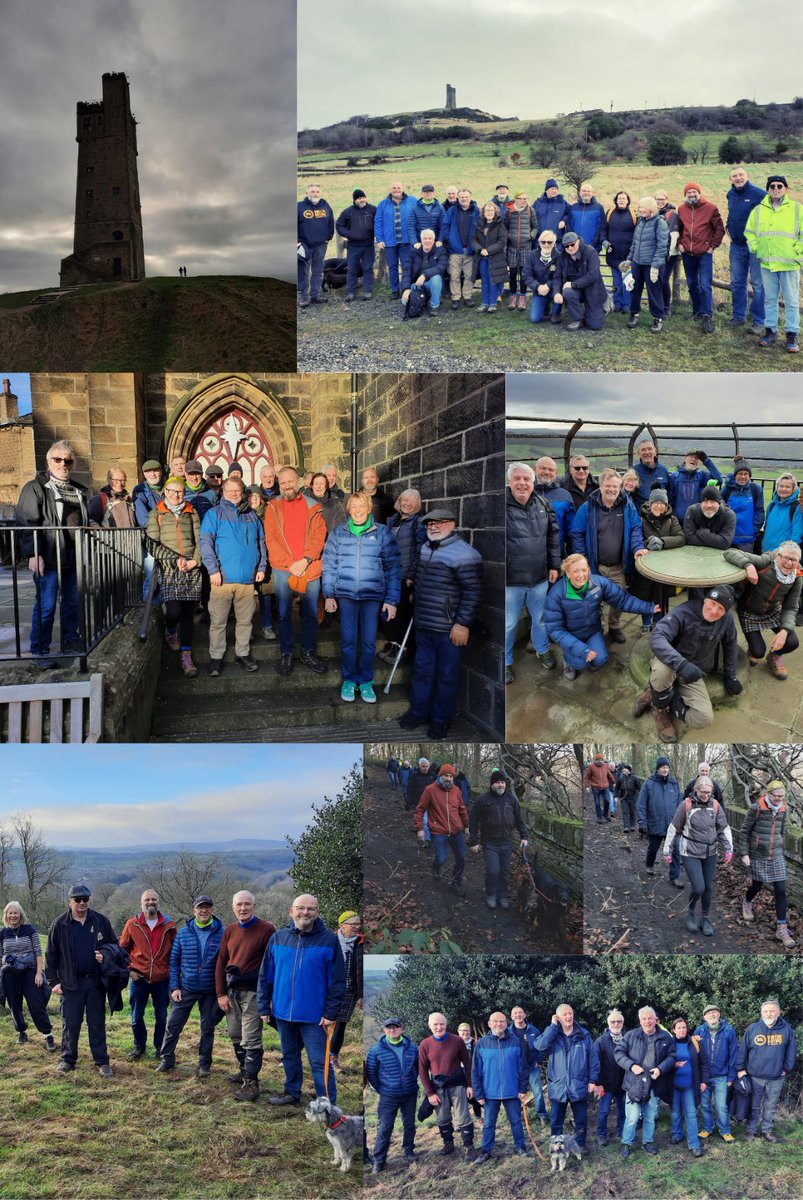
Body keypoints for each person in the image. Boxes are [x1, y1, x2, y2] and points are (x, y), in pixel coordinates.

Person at [400, 509, 483, 738]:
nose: (433, 527)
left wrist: (463, 624)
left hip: (449, 628)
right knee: (422, 672)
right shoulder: (426, 548)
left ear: (452, 525)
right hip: (425, 624)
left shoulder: (465, 554)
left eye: (440, 523)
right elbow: (421, 574)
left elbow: (473, 591)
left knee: (447, 676)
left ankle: (440, 719)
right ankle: (419, 712)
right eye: (430, 524)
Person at [257, 893, 346, 1105]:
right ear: (291, 911)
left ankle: (327, 1103)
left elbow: (338, 981)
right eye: (300, 908)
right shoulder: (278, 938)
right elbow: (265, 975)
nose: (305, 912)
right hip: (283, 1013)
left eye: (310, 909)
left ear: (317, 913)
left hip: (316, 1017)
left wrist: (330, 1013)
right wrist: (263, 1006)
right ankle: (291, 1092)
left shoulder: (329, 940)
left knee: (319, 1062)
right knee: (289, 1056)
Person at [322, 490, 401, 703]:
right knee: (348, 641)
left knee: (368, 642)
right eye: (353, 506)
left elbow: (393, 567)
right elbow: (329, 565)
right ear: (348, 509)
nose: (357, 511)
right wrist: (329, 595)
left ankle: (365, 681)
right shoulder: (338, 533)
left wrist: (392, 600)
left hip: (372, 596)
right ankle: (349, 679)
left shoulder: (382, 533)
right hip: (346, 595)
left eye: (361, 506)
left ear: (368, 508)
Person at [17, 440, 91, 668]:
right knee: (46, 605)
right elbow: (27, 522)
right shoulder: (36, 487)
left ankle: (70, 639)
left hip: (72, 554)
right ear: (48, 461)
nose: (63, 464)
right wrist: (33, 553)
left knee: (71, 602)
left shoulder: (78, 490)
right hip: (48, 556)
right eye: (57, 460)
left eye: (68, 460)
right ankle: (40, 650)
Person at [635, 586, 742, 741]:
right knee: (662, 673)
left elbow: (731, 645)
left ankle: (656, 695)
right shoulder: (684, 612)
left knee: (704, 718)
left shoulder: (727, 620)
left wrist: (730, 676)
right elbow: (657, 637)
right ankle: (660, 710)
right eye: (712, 603)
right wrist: (681, 664)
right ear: (705, 599)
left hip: (694, 672)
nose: (713, 611)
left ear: (726, 612)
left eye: (720, 609)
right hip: (670, 660)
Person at [544, 553, 656, 680]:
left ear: (589, 570)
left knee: (601, 660)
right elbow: (554, 629)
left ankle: (587, 655)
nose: (581, 575)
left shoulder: (599, 583)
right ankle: (569, 662)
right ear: (568, 573)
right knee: (580, 663)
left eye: (584, 570)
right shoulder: (556, 594)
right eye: (575, 571)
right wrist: (582, 650)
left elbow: (623, 600)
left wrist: (649, 608)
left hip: (593, 631)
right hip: (571, 634)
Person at [569, 468, 648, 642]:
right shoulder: (588, 507)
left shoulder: (627, 505)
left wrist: (637, 548)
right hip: (595, 566)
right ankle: (598, 628)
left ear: (620, 487)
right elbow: (576, 533)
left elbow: (635, 528)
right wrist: (582, 561)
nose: (612, 489)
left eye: (615, 486)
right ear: (601, 485)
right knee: (594, 601)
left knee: (619, 599)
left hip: (618, 566)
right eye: (608, 486)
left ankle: (614, 626)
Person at [45, 884, 117, 1076]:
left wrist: (105, 955)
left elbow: (114, 947)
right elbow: (51, 955)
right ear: (70, 902)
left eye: (85, 899)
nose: (82, 903)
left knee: (97, 1023)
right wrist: (53, 982)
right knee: (71, 1023)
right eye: (77, 900)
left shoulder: (101, 921)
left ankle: (102, 1061)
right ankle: (68, 1059)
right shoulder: (59, 924)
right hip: (70, 983)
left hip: (95, 982)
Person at [199, 475, 266, 676]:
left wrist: (261, 567)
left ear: (243, 492)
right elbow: (205, 543)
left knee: (245, 621)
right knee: (218, 621)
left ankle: (242, 653)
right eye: (229, 490)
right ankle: (216, 657)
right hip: (222, 579)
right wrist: (213, 570)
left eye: (237, 490)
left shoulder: (252, 516)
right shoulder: (214, 514)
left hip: (247, 579)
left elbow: (261, 542)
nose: (233, 494)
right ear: (223, 492)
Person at [263, 466, 327, 677]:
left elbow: (319, 536)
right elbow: (271, 539)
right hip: (284, 568)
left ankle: (308, 652)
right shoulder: (272, 507)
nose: (287, 486)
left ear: (298, 482)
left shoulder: (313, 506)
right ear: (278, 484)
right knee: (283, 613)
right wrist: (291, 564)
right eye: (283, 483)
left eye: (290, 481)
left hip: (309, 566)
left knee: (310, 614)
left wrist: (306, 559)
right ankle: (287, 652)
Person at [214, 891, 275, 1102]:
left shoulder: (267, 930)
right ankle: (243, 1071)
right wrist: (221, 993)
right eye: (239, 904)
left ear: (254, 905)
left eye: (247, 904)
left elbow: (271, 965)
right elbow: (221, 961)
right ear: (233, 907)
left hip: (254, 993)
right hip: (232, 992)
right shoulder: (230, 930)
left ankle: (252, 1084)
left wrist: (269, 995)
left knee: (251, 1037)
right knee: (235, 1034)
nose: (243, 908)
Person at [506, 461, 561, 682]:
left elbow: (553, 538)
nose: (522, 483)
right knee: (508, 623)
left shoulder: (544, 504)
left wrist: (554, 565)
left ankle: (542, 648)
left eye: (526, 479)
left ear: (533, 482)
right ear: (509, 482)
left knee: (540, 619)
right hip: (510, 580)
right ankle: (506, 661)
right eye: (517, 479)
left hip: (539, 576)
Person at [663, 775, 734, 936]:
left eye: (709, 792)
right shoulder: (686, 805)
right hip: (690, 852)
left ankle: (706, 918)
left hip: (711, 852)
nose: (706, 795)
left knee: (708, 887)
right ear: (696, 790)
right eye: (703, 792)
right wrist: (667, 851)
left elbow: (723, 828)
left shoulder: (715, 805)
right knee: (699, 887)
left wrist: (729, 849)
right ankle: (691, 911)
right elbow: (673, 828)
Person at [147, 475, 203, 677]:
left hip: (192, 569)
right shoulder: (157, 513)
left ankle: (186, 657)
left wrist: (196, 561)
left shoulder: (192, 512)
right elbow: (152, 545)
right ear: (166, 493)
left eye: (180, 491)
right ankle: (171, 629)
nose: (177, 495)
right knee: (173, 612)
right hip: (170, 569)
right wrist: (173, 560)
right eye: (173, 491)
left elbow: (201, 541)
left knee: (188, 615)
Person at [725, 542, 802, 682]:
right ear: (778, 556)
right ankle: (754, 649)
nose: (789, 563)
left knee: (792, 642)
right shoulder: (767, 560)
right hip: (749, 611)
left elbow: (790, 607)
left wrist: (784, 631)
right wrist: (748, 566)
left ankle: (774, 656)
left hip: (773, 610)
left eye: (794, 560)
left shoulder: (797, 576)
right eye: (786, 558)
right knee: (758, 652)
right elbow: (730, 552)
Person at [119, 889, 177, 1061]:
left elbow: (175, 952)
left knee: (161, 1016)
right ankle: (139, 1046)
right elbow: (122, 950)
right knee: (136, 1016)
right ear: (141, 903)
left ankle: (160, 1048)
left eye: (154, 899)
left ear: (158, 902)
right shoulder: (132, 924)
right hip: (139, 978)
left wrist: (172, 974)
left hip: (162, 979)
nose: (151, 902)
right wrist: (130, 969)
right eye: (147, 900)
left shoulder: (170, 925)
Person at [745, 175, 802, 352]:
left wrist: (797, 251)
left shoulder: (796, 209)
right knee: (770, 300)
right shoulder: (759, 210)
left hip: (789, 263)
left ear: (785, 188)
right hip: (767, 263)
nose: (775, 189)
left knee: (792, 301)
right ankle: (770, 332)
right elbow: (750, 232)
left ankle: (792, 335)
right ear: (768, 189)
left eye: (779, 186)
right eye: (772, 186)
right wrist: (756, 248)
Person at [536, 1003, 600, 1154]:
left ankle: (580, 1143)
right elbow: (539, 1046)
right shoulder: (552, 1034)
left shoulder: (584, 1035)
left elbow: (594, 1059)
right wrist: (552, 1027)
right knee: (557, 1120)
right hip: (558, 1086)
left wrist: (592, 1080)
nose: (569, 1017)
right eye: (565, 1014)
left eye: (570, 1013)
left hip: (579, 1084)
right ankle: (556, 1147)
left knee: (581, 1119)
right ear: (558, 1017)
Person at [739, 781, 796, 949]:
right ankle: (747, 901)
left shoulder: (784, 809)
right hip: (759, 853)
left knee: (780, 890)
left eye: (782, 796)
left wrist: (780, 845)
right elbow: (745, 831)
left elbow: (782, 830)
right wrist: (745, 853)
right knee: (757, 885)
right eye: (777, 796)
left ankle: (781, 929)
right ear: (769, 794)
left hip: (776, 854)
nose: (780, 799)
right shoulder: (757, 808)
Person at [615, 1006, 677, 1158]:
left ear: (655, 1019)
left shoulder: (665, 1037)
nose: (647, 1021)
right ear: (640, 1020)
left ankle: (647, 1142)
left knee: (650, 1116)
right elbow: (618, 1053)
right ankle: (626, 1143)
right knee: (633, 1116)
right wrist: (631, 1065)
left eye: (650, 1018)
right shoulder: (630, 1035)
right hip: (634, 1083)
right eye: (644, 1019)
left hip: (654, 1083)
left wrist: (661, 1069)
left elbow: (672, 1056)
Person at [472, 1011, 529, 1165]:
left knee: (516, 1121)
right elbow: (475, 1071)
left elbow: (523, 1068)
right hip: (490, 1093)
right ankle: (486, 1150)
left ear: (506, 1023)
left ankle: (521, 1146)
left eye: (502, 1021)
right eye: (495, 1021)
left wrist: (523, 1089)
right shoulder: (482, 1044)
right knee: (489, 1123)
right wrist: (479, 1093)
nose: (499, 1024)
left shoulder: (516, 1042)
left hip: (513, 1091)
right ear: (489, 1024)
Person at [419, 1011, 476, 1160]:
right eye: (435, 1024)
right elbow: (423, 1071)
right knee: (443, 1118)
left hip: (457, 1084)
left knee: (463, 1117)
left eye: (441, 1024)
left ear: (446, 1024)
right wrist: (430, 1093)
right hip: (438, 1087)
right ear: (430, 1026)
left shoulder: (457, 1041)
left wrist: (470, 1085)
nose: (439, 1027)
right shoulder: (425, 1044)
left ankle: (469, 1147)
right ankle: (448, 1144)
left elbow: (468, 1063)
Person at [737, 999, 797, 1141]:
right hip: (755, 1076)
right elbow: (742, 1050)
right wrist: (740, 1068)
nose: (769, 1014)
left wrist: (787, 1069)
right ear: (761, 1013)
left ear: (778, 1012)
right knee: (754, 1106)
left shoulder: (786, 1029)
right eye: (766, 1011)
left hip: (776, 1076)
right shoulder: (753, 1029)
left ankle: (767, 1131)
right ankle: (751, 1131)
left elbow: (791, 1050)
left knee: (770, 1105)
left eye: (772, 1011)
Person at [469, 769, 528, 909]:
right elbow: (473, 820)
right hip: (490, 843)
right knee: (493, 870)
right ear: (491, 784)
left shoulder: (511, 800)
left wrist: (524, 836)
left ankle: (502, 895)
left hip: (507, 842)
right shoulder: (483, 800)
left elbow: (519, 820)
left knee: (504, 871)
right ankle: (490, 894)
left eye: (502, 782)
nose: (500, 785)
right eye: (497, 782)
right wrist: (474, 841)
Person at [367, 1017, 420, 1173]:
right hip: (388, 1096)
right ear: (384, 1030)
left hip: (409, 1094)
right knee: (385, 1128)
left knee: (409, 1124)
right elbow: (371, 1073)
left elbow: (417, 1068)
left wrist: (410, 1083)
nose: (392, 1030)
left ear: (401, 1029)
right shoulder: (376, 1050)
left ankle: (409, 1150)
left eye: (395, 1027)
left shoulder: (412, 1048)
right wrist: (381, 1089)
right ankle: (379, 1160)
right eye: (388, 1028)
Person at [1, 901, 56, 1052]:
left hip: (29, 971)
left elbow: (38, 953)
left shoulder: (29, 930)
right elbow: (0, 955)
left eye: (15, 913)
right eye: (10, 913)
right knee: (14, 1004)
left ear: (21, 915)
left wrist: (39, 973)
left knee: (36, 1003)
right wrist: (6, 960)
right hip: (10, 973)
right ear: (6, 915)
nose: (13, 916)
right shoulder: (2, 933)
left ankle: (48, 1035)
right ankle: (22, 1031)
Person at [381, 488, 427, 663]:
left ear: (417, 505)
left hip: (404, 575)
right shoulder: (393, 520)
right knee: (386, 612)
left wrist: (412, 575)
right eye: (404, 500)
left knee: (400, 614)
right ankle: (393, 643)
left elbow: (420, 550)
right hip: (388, 573)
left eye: (411, 502)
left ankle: (403, 648)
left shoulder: (419, 522)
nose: (407, 504)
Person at [631, 489, 685, 627]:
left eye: (662, 503)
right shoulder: (641, 518)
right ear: (650, 504)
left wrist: (663, 542)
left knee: (661, 595)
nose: (659, 506)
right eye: (656, 502)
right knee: (645, 595)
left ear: (666, 506)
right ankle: (646, 621)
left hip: (664, 567)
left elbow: (681, 538)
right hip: (646, 566)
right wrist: (647, 543)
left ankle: (659, 621)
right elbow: (635, 538)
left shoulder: (672, 520)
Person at [676, 183, 725, 334]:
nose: (691, 194)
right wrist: (679, 244)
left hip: (704, 253)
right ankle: (697, 311)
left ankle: (707, 315)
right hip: (687, 253)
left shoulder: (710, 208)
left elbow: (719, 229)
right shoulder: (682, 209)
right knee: (692, 284)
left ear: (699, 192)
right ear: (686, 194)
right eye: (688, 192)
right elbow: (678, 228)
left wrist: (712, 247)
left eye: (694, 192)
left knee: (705, 285)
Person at [415, 764, 470, 895]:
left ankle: (456, 883)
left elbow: (462, 809)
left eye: (451, 776)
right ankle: (435, 867)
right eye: (446, 775)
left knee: (461, 857)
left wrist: (466, 826)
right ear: (440, 776)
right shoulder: (430, 790)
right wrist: (420, 828)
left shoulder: (456, 790)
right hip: (439, 831)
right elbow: (420, 809)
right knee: (442, 858)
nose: (448, 778)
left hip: (456, 831)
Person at [726, 167, 766, 331]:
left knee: (758, 284)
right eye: (734, 176)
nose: (738, 178)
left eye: (740, 175)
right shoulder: (731, 194)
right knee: (737, 283)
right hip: (737, 246)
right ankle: (739, 317)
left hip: (755, 247)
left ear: (747, 176)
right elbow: (732, 214)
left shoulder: (760, 194)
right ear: (731, 179)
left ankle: (759, 321)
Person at [693, 1003, 739, 1142]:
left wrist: (731, 1076)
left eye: (714, 1012)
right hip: (705, 1077)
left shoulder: (728, 1030)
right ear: (704, 1017)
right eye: (708, 1013)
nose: (712, 1015)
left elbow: (734, 1055)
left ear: (719, 1014)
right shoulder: (699, 1031)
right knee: (705, 1105)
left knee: (721, 1106)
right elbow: (693, 1052)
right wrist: (693, 1039)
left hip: (722, 1076)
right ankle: (707, 1128)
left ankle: (725, 1131)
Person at [625, 196, 670, 333]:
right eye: (640, 208)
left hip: (651, 264)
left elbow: (662, 246)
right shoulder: (640, 222)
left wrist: (656, 265)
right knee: (634, 289)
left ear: (651, 208)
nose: (641, 210)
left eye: (644, 208)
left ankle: (657, 318)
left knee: (654, 291)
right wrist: (629, 259)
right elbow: (635, 242)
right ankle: (634, 314)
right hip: (637, 262)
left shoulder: (659, 223)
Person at [636, 756, 683, 885]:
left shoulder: (674, 783)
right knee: (653, 848)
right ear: (658, 769)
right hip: (655, 823)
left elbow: (680, 803)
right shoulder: (649, 784)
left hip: (672, 825)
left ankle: (675, 877)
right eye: (663, 767)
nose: (665, 769)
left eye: (667, 767)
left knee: (676, 850)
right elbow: (641, 804)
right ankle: (649, 864)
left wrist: (681, 820)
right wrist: (641, 822)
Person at [669, 1017, 709, 1156]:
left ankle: (694, 1144)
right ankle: (677, 1134)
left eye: (684, 1027)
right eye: (679, 1028)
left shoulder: (694, 1042)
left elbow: (704, 1063)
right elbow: (663, 1062)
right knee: (675, 1113)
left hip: (690, 1085)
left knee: (691, 1113)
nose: (682, 1030)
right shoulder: (669, 1043)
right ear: (673, 1030)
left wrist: (704, 1081)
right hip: (674, 1086)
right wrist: (674, 1065)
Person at [554, 232, 607, 331]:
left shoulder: (591, 252)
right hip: (575, 290)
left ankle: (598, 307)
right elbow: (557, 276)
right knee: (567, 292)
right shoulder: (562, 257)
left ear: (578, 242)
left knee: (595, 326)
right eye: (566, 246)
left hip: (592, 290)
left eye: (572, 244)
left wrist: (573, 284)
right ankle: (578, 319)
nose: (570, 247)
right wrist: (556, 292)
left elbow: (593, 275)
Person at [329, 912, 363, 1069]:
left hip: (350, 991)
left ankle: (333, 1057)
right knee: (319, 1022)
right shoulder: (330, 940)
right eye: (353, 924)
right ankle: (312, 1053)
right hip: (330, 990)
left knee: (341, 1024)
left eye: (358, 924)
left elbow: (362, 970)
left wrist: (361, 994)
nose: (357, 927)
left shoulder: (362, 943)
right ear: (342, 925)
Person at [374, 181, 417, 300]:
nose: (396, 190)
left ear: (403, 189)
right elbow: (378, 222)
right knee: (392, 266)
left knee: (406, 266)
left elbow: (419, 216)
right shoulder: (383, 204)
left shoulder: (412, 201)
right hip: (390, 242)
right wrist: (380, 239)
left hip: (407, 241)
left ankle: (406, 289)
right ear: (390, 189)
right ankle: (394, 290)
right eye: (394, 188)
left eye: (398, 188)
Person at [440, 187, 480, 309]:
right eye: (462, 197)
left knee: (469, 275)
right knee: (454, 275)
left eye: (466, 197)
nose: (464, 199)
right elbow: (445, 225)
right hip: (455, 249)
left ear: (470, 197)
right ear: (458, 197)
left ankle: (467, 296)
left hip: (470, 249)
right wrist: (449, 239)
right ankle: (455, 298)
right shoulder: (452, 210)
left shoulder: (477, 211)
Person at [592, 1010, 627, 1146]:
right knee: (604, 1111)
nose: (616, 1024)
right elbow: (596, 1063)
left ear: (623, 1023)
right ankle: (601, 1134)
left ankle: (621, 1131)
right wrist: (598, 1082)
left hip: (624, 1083)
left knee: (622, 1109)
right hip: (606, 1083)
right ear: (608, 1023)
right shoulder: (601, 1041)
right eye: (613, 1021)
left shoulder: (627, 1039)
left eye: (619, 1021)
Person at [335, 188, 377, 302]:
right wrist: (349, 234)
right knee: (352, 269)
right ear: (354, 200)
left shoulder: (373, 210)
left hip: (368, 244)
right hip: (353, 246)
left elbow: (379, 223)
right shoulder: (348, 212)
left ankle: (368, 291)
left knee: (368, 268)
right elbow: (339, 226)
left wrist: (376, 234)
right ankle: (350, 292)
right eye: (359, 198)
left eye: (363, 197)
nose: (362, 200)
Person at [509, 1005, 549, 1121]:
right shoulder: (508, 1032)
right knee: (516, 1095)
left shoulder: (534, 1031)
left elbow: (541, 1047)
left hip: (532, 1068)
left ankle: (542, 1115)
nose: (518, 1015)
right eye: (515, 1013)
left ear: (524, 1015)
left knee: (539, 1093)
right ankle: (518, 1117)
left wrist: (538, 1061)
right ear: (512, 1016)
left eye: (520, 1012)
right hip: (516, 1070)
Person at [297, 182, 334, 307]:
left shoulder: (325, 206)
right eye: (312, 191)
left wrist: (328, 237)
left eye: (317, 191)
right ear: (307, 193)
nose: (315, 194)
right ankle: (303, 297)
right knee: (304, 272)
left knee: (318, 271)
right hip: (304, 245)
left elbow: (330, 223)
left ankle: (315, 295)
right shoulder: (299, 207)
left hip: (321, 245)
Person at [667, 449, 724, 523]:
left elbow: (719, 479)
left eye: (697, 458)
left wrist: (706, 461)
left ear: (700, 462)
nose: (693, 459)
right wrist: (669, 516)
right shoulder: (674, 477)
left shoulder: (702, 476)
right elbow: (670, 498)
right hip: (677, 520)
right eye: (691, 456)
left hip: (697, 519)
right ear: (685, 458)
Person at [532, 457, 574, 555]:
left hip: (558, 553)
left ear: (556, 472)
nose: (547, 472)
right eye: (543, 468)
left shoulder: (565, 495)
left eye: (551, 469)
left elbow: (571, 530)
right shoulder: (526, 492)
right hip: (531, 555)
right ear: (535, 469)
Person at [401, 228, 447, 315]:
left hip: (431, 284)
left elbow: (441, 267)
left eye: (430, 238)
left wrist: (425, 275)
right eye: (425, 238)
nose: (427, 241)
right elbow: (406, 271)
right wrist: (406, 289)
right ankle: (423, 300)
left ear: (434, 240)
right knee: (404, 301)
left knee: (436, 278)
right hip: (416, 284)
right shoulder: (413, 252)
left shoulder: (441, 251)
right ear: (421, 240)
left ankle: (434, 306)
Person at [603, 190, 637, 312]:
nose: (621, 200)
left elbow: (637, 234)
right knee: (616, 280)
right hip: (613, 253)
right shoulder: (610, 213)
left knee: (627, 280)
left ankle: (627, 305)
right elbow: (603, 230)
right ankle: (617, 304)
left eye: (624, 198)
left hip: (627, 254)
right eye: (619, 198)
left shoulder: (633, 214)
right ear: (616, 200)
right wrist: (605, 243)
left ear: (628, 201)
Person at [721, 459, 765, 551]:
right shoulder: (727, 490)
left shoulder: (755, 489)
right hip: (729, 537)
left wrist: (754, 529)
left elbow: (759, 510)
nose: (743, 476)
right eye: (740, 473)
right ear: (735, 475)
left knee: (745, 563)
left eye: (746, 474)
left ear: (750, 476)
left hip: (747, 539)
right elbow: (721, 510)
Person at [472, 201, 507, 313]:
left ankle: (493, 303)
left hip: (495, 258)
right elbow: (473, 240)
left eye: (491, 210)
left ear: (495, 212)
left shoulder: (500, 225)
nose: (489, 212)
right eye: (487, 210)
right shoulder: (479, 224)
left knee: (493, 280)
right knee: (485, 280)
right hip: (482, 257)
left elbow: (502, 242)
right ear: (483, 212)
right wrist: (480, 249)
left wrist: (489, 250)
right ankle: (484, 303)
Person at [505, 192, 537, 310]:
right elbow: (504, 226)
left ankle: (523, 297)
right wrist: (508, 236)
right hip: (512, 247)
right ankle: (513, 296)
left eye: (526, 198)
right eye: (521, 198)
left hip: (526, 247)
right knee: (512, 273)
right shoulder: (510, 211)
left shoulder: (530, 211)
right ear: (516, 199)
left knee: (524, 273)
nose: (524, 200)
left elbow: (536, 227)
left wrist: (531, 236)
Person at [522, 229, 562, 324]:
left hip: (554, 290)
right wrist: (538, 287)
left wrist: (548, 285)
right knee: (535, 319)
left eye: (549, 242)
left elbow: (559, 276)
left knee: (554, 318)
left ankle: (556, 312)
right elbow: (526, 275)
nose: (546, 244)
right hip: (539, 290)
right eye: (543, 242)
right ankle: (545, 306)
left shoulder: (560, 256)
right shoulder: (532, 255)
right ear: (539, 243)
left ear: (554, 243)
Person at [654, 189, 680, 315]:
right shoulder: (654, 213)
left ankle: (666, 307)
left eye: (662, 199)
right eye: (658, 199)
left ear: (667, 200)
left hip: (669, 254)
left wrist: (668, 254)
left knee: (664, 280)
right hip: (657, 253)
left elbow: (674, 235)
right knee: (658, 279)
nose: (660, 201)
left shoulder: (672, 214)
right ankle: (659, 306)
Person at [761, 474, 803, 553]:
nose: (783, 489)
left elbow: (796, 536)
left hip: (783, 555)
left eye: (787, 487)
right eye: (781, 486)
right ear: (777, 487)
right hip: (766, 552)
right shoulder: (772, 505)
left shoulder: (796, 507)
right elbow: (767, 527)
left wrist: (788, 554)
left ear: (793, 489)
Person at [569, 182, 607, 252]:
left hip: (593, 248)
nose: (586, 193)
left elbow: (601, 227)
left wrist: (593, 244)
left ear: (592, 193)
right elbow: (569, 227)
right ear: (580, 193)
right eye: (584, 191)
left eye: (588, 191)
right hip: (576, 247)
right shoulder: (573, 208)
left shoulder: (599, 208)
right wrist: (574, 243)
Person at [633, 441, 671, 508]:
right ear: (639, 453)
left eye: (650, 449)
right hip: (641, 515)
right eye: (643, 450)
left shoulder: (663, 470)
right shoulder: (634, 472)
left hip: (661, 514)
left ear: (655, 452)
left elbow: (670, 494)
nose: (647, 452)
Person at [584, 751, 616, 824]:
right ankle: (600, 817)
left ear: (603, 760)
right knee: (597, 803)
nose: (600, 761)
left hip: (605, 787)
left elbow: (609, 774)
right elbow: (587, 777)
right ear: (595, 760)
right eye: (598, 760)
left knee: (607, 801)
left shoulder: (606, 765)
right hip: (596, 787)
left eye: (601, 759)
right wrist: (587, 786)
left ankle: (605, 815)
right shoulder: (591, 766)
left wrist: (614, 782)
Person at [615, 764, 643, 834]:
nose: (624, 770)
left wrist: (642, 796)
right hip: (623, 798)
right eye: (624, 769)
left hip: (633, 798)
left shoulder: (635, 778)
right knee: (625, 812)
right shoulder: (621, 778)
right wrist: (615, 796)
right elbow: (616, 788)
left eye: (626, 769)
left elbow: (640, 788)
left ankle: (632, 825)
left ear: (629, 770)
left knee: (632, 812)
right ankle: (626, 826)